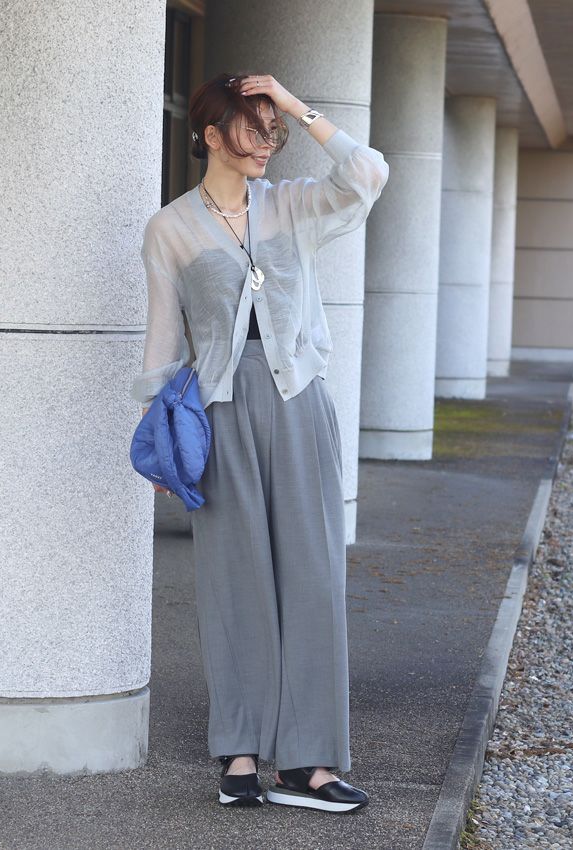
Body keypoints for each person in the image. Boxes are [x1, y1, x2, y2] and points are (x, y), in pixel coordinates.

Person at [130, 71, 389, 813]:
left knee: (313, 576)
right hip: (218, 413)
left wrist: (297, 107)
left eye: (271, 131)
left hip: (299, 403)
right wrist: (160, 440)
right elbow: (163, 340)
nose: (266, 144)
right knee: (233, 582)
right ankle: (240, 753)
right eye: (253, 129)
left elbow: (368, 173)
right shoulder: (170, 229)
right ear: (211, 135)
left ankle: (308, 763)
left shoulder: (290, 205)